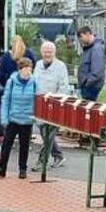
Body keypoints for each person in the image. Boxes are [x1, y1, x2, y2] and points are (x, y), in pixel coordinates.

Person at [0, 56, 37, 179]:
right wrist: (4, 118)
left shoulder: (34, 82)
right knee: (6, 145)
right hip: (13, 118)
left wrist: (35, 117)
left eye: (30, 69)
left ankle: (22, 169)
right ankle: (1, 168)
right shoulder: (11, 82)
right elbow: (6, 100)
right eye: (26, 69)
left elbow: (37, 101)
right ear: (20, 69)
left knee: (24, 146)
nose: (28, 71)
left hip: (27, 119)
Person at [33, 40, 72, 168]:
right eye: (45, 52)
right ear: (41, 52)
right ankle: (59, 156)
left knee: (49, 134)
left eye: (49, 52)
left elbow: (63, 87)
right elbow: (34, 83)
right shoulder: (38, 65)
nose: (47, 54)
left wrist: (57, 102)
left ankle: (41, 162)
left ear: (54, 53)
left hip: (54, 106)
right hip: (39, 105)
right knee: (45, 134)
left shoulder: (60, 67)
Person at [75, 26, 106, 102]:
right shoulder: (91, 48)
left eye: (81, 36)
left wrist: (87, 83)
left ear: (88, 34)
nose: (81, 40)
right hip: (88, 87)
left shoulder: (96, 48)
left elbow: (97, 70)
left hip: (91, 88)